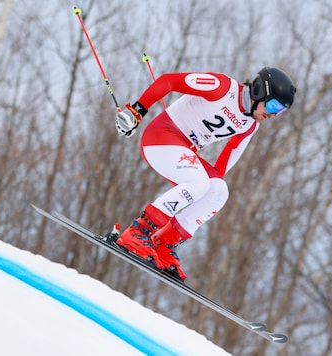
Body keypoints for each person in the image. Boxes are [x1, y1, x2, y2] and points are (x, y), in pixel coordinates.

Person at [114, 67, 296, 281]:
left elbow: (226, 161)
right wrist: (137, 111)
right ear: (259, 91)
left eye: (280, 112)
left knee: (219, 191)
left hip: (180, 151)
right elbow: (168, 81)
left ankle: (163, 242)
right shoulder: (221, 87)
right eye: (273, 106)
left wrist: (207, 194)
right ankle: (139, 231)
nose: (273, 115)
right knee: (199, 182)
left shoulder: (249, 125)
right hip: (160, 137)